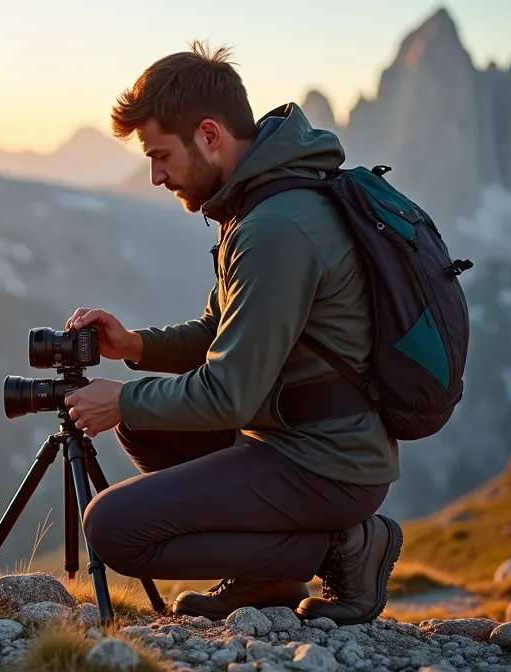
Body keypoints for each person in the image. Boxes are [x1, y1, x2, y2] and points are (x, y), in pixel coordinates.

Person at [62, 42, 404, 625]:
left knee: (112, 529)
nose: (155, 175)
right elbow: (219, 331)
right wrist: (135, 347)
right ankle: (266, 576)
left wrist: (120, 399)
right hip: (294, 434)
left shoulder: (276, 228)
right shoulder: (258, 203)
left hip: (326, 461)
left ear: (210, 135)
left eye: (161, 155)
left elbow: (229, 395)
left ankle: (344, 548)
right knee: (146, 426)